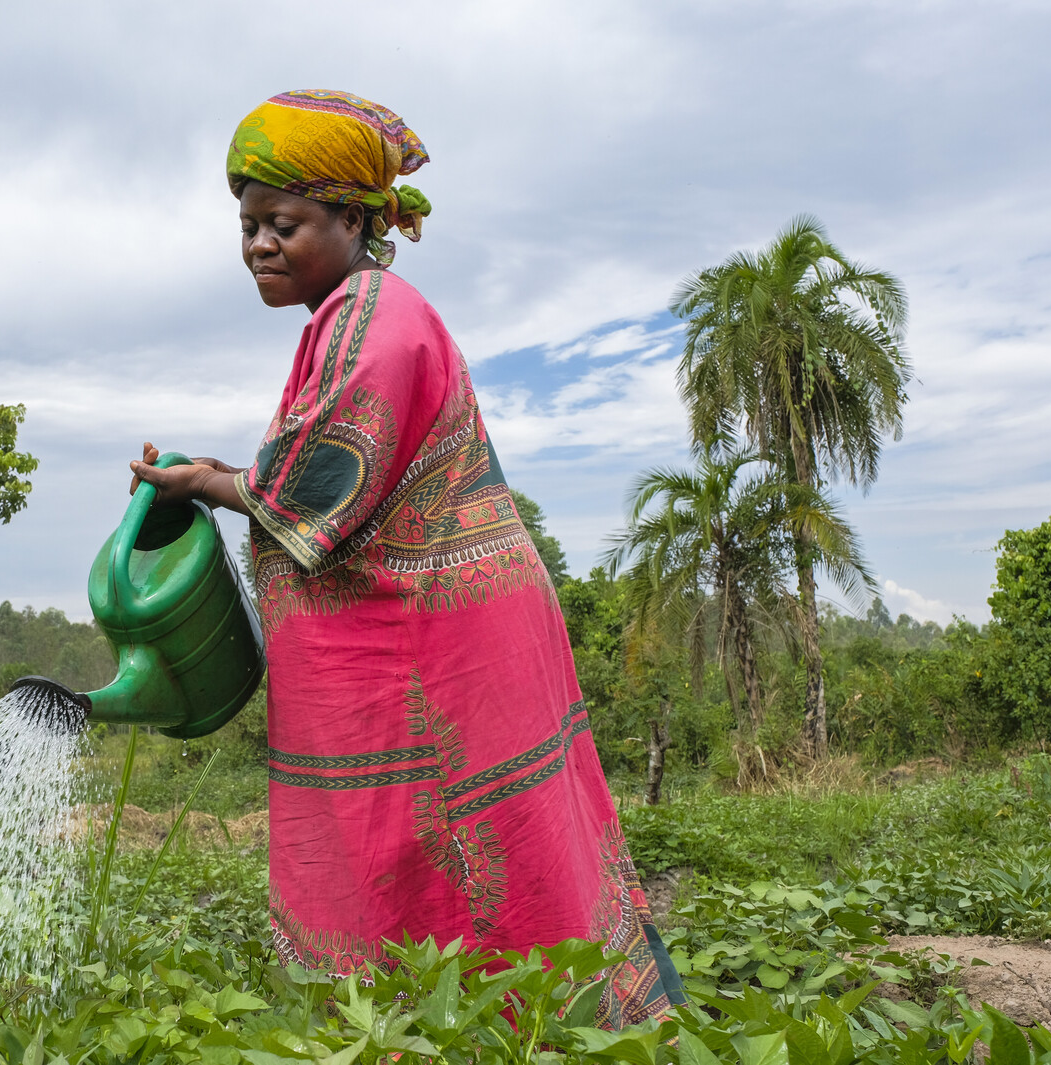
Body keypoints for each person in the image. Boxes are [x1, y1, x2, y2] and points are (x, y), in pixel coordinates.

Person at [129, 89, 684, 1027]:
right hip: (437, 625)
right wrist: (221, 472)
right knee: (431, 838)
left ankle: (486, 1028)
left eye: (284, 222)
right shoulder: (352, 313)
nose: (259, 244)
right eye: (249, 224)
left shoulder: (372, 322)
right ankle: (470, 1023)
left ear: (353, 217)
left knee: (434, 836)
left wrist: (209, 484)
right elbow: (310, 467)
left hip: (429, 640)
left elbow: (311, 487)